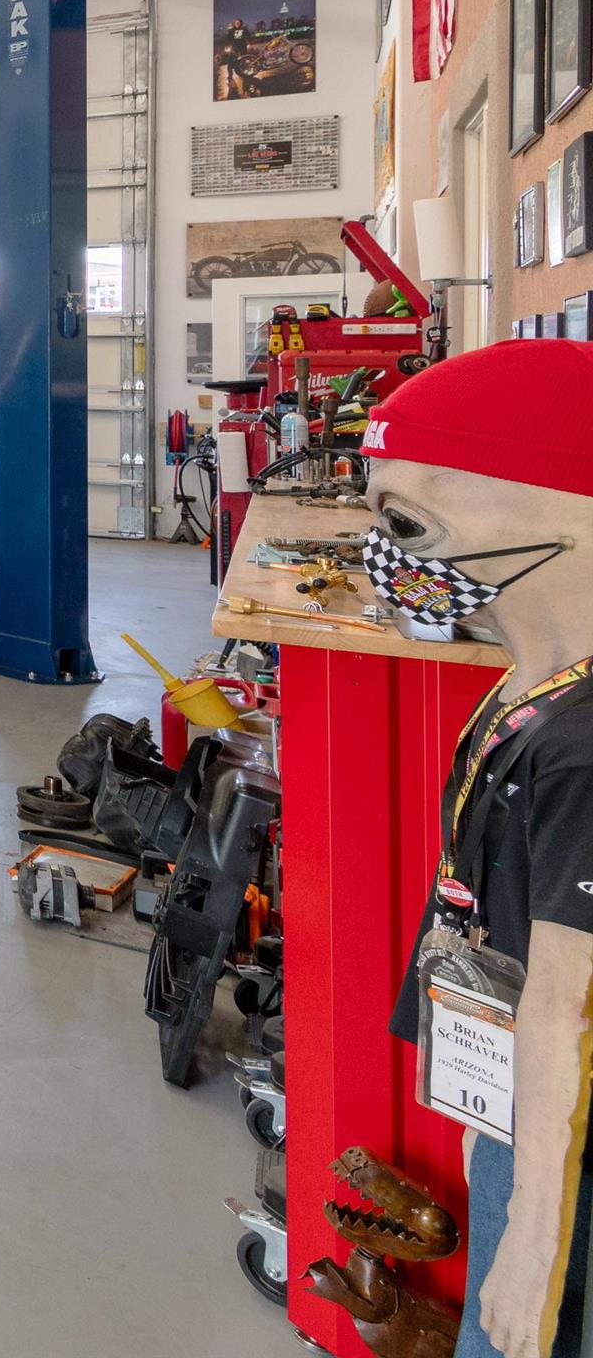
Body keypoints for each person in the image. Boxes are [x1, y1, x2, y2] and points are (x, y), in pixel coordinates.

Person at [374, 343, 593, 1358]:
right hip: (522, 1109)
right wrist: (486, 1108)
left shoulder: (585, 745)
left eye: (409, 526)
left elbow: (567, 1001)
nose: (393, 560)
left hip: (574, 1151)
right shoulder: (532, 687)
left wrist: (535, 1242)